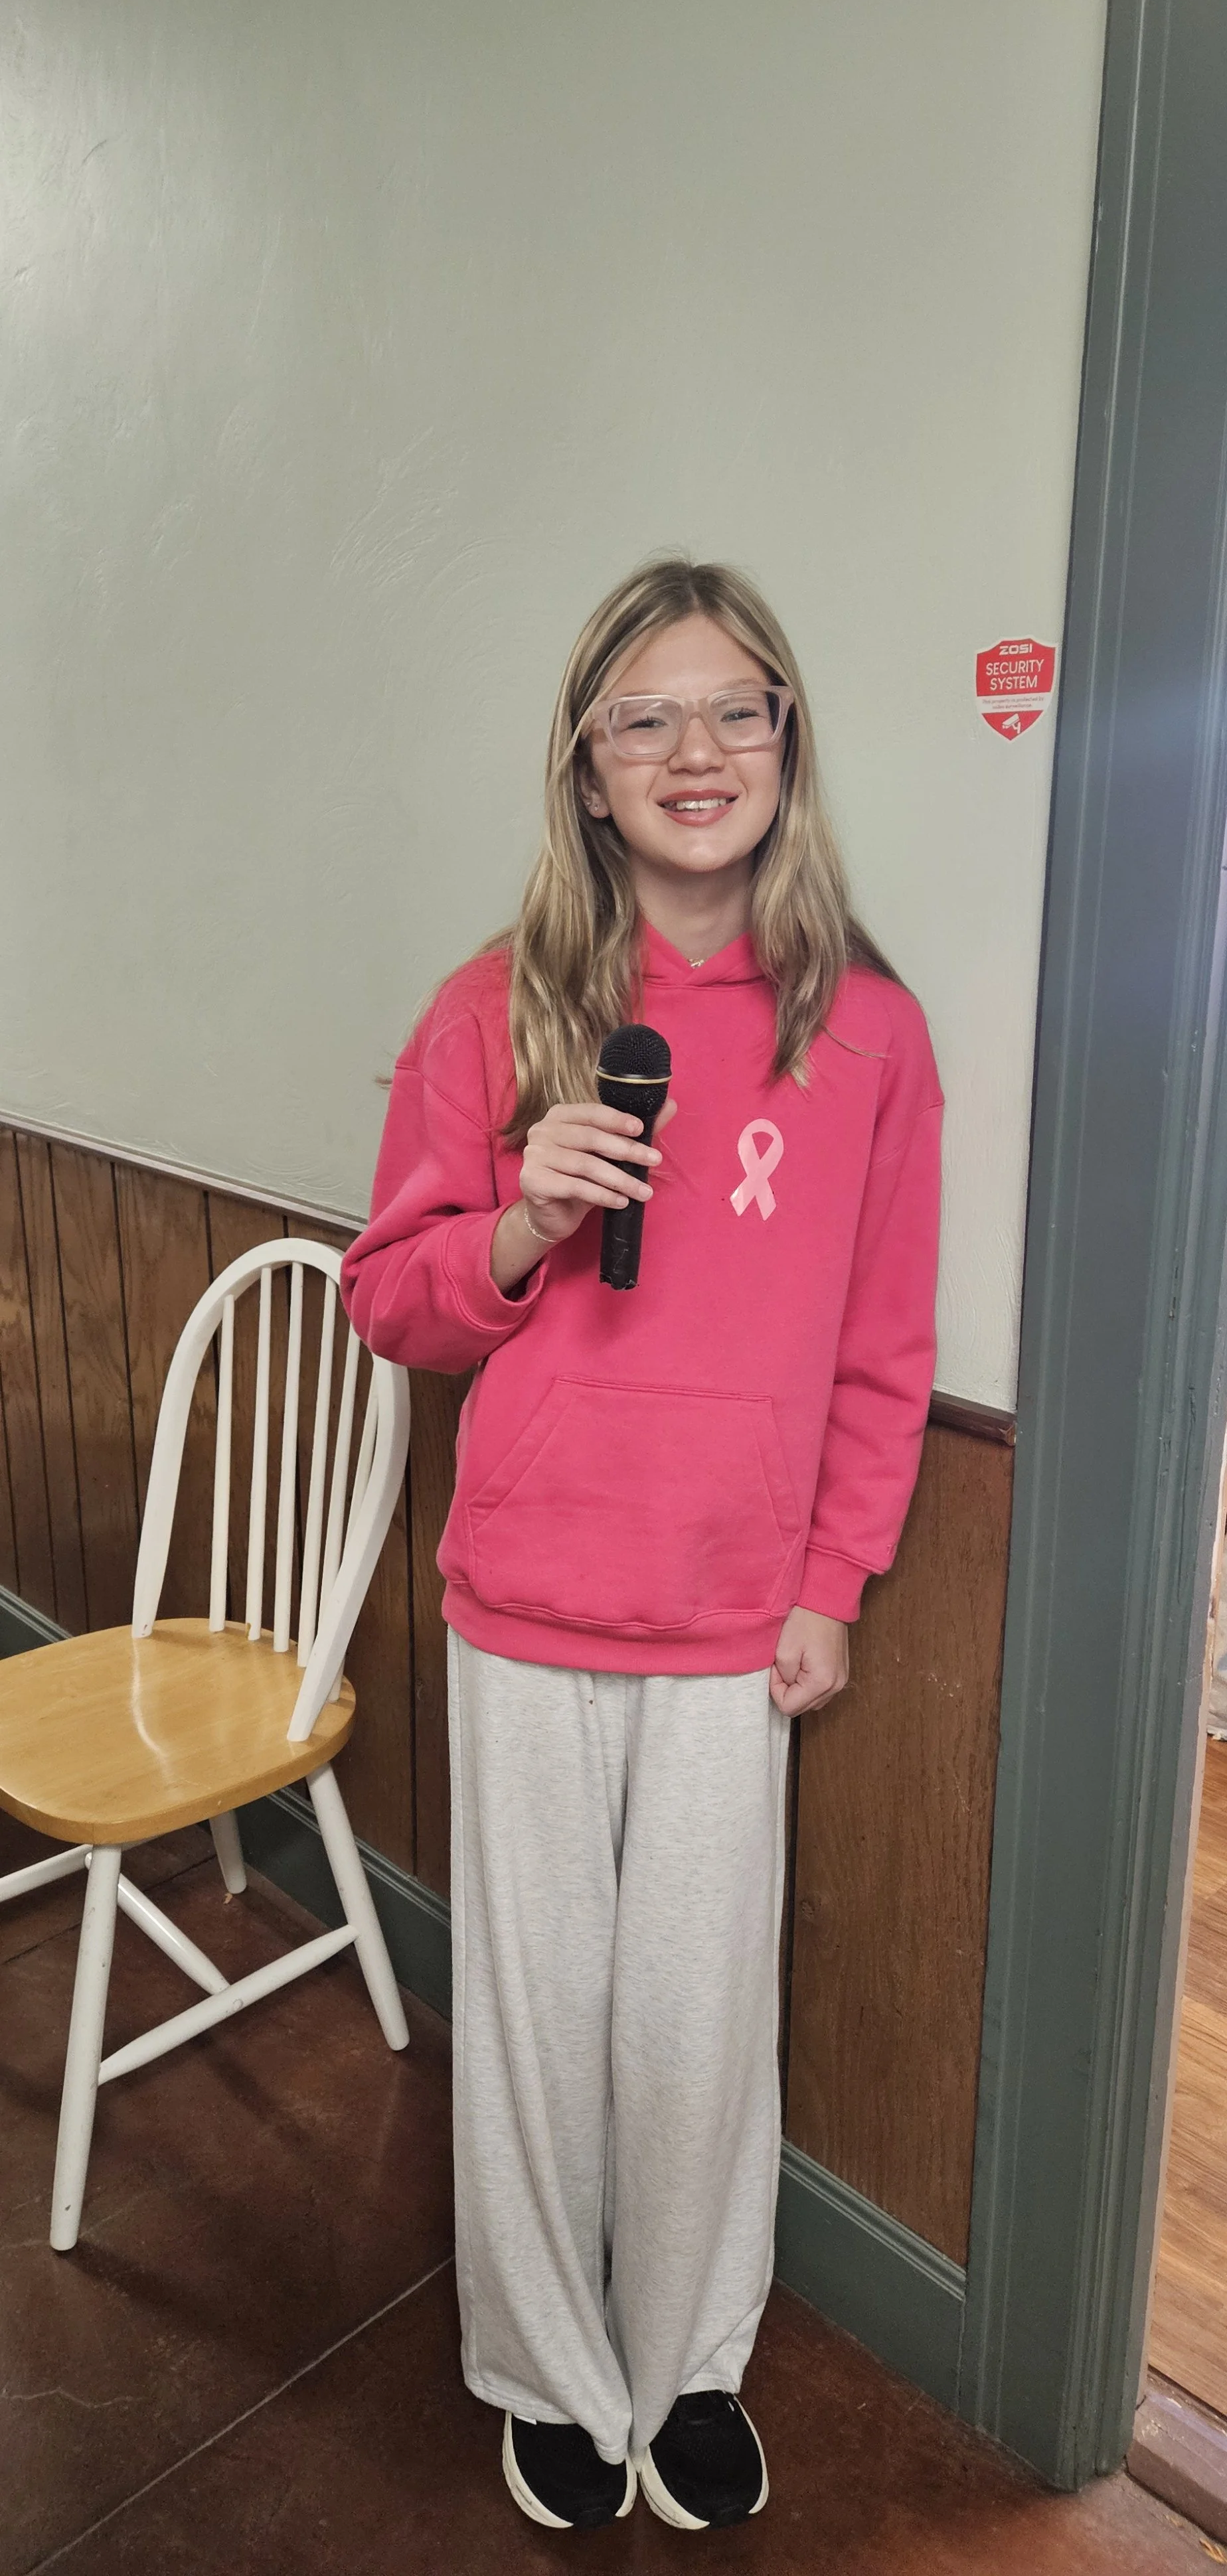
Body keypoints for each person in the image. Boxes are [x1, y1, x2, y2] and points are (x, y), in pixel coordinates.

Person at [341, 556, 943, 2534]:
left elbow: (881, 1347)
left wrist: (832, 1583)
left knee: (697, 2025)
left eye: (737, 708)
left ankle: (686, 2367)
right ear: (588, 771)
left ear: (788, 743)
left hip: (728, 1623)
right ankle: (539, 2370)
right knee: (531, 2015)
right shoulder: (490, 1010)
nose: (698, 750)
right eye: (647, 718)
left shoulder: (865, 1029)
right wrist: (516, 1221)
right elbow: (393, 1305)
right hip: (525, 1602)